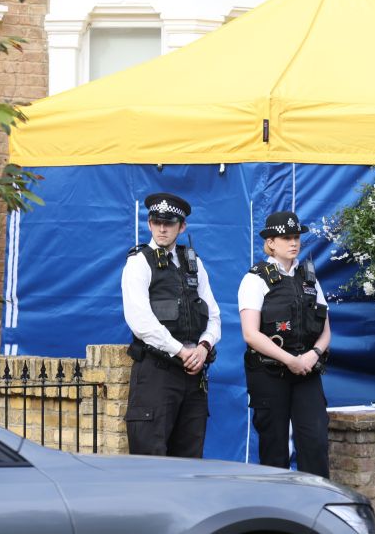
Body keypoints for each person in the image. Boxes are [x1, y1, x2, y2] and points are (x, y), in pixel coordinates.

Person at [121, 192, 221, 458]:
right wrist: (180, 350)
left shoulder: (193, 263)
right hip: (158, 372)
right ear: (150, 223)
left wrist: (203, 347)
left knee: (190, 460)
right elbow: (140, 320)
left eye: (170, 223)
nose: (162, 228)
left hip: (193, 375)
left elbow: (213, 315)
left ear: (182, 226)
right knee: (150, 460)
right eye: (156, 222)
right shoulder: (139, 262)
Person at [238, 210, 332, 477]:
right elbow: (250, 334)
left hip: (306, 371)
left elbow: (326, 332)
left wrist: (313, 354)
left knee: (315, 443)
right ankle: (275, 513)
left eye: (296, 237)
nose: (293, 243)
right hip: (270, 374)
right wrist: (289, 359)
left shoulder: (310, 278)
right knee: (274, 450)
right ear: (271, 243)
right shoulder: (254, 279)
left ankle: (315, 509)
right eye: (286, 237)